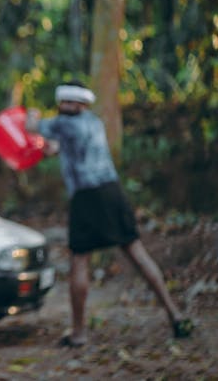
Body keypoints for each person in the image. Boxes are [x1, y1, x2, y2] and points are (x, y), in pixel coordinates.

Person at [26, 80, 193, 347]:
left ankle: (79, 333)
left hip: (86, 197)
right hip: (113, 192)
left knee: (80, 260)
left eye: (70, 102)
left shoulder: (62, 123)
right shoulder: (93, 121)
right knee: (137, 253)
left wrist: (30, 114)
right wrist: (53, 150)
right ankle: (175, 315)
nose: (66, 106)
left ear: (81, 103)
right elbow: (62, 146)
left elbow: (33, 128)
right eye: (63, 102)